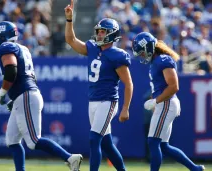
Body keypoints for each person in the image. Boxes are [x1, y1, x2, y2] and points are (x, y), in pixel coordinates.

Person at [0, 21, 82, 171]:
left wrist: (3, 92)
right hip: (25, 95)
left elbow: (11, 71)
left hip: (25, 95)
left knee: (33, 141)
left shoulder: (6, 47)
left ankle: (70, 158)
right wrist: (14, 98)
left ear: (3, 35)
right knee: (12, 140)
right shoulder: (23, 49)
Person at [64, 1, 133, 171]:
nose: (100, 35)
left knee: (94, 139)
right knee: (107, 145)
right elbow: (71, 39)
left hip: (108, 101)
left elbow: (128, 83)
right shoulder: (93, 48)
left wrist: (125, 108)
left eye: (103, 32)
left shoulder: (117, 55)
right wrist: (69, 20)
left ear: (112, 34)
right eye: (99, 32)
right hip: (93, 101)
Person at [132, 32, 205, 171]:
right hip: (165, 103)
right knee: (163, 146)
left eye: (142, 52)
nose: (141, 55)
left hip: (166, 103)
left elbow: (174, 86)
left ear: (148, 47)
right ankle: (195, 168)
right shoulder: (156, 61)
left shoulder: (162, 60)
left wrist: (155, 101)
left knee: (153, 142)